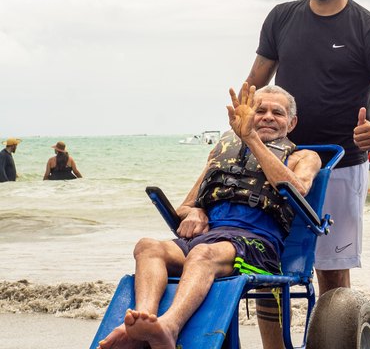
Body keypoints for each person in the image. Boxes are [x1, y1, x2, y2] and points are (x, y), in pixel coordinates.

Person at [97, 83, 322, 349]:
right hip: (210, 238)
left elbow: (297, 189)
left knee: (203, 253)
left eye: (278, 113)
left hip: (257, 244)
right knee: (148, 247)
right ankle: (142, 322)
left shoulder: (304, 157)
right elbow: (183, 208)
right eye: (260, 110)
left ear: (292, 122)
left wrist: (250, 137)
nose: (268, 117)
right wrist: (196, 211)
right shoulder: (222, 154)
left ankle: (170, 326)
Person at [244, 0, 370, 295]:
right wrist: (243, 125)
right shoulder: (280, 18)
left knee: (332, 273)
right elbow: (253, 83)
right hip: (282, 161)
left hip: (340, 165)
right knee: (268, 267)